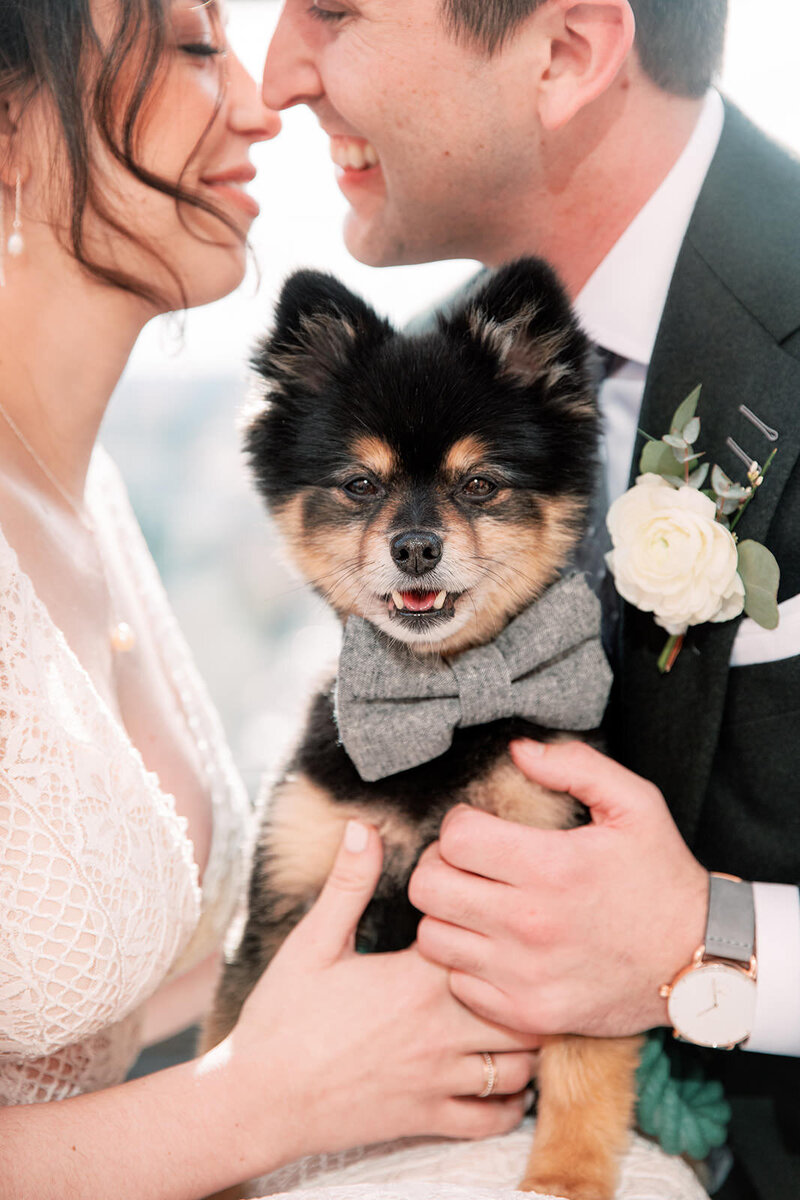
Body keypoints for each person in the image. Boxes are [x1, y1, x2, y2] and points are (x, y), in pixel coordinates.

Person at [0, 3, 543, 1197]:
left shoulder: (81, 491)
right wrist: (253, 1101)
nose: (262, 103)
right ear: (8, 129)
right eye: (195, 50)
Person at [261, 1, 800, 1196]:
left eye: (333, 11)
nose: (277, 72)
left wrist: (708, 942)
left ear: (563, 54)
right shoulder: (417, 382)